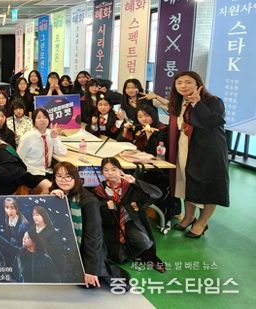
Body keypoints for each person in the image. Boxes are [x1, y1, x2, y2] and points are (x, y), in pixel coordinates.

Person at [167, 71, 229, 238]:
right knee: (188, 183)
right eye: (179, 83)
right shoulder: (180, 102)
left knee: (209, 187)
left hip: (208, 151)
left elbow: (211, 122)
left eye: (188, 82)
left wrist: (197, 103)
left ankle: (201, 223)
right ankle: (188, 217)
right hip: (186, 148)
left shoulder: (213, 101)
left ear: (198, 84)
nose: (183, 86)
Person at [93, 158, 165, 272]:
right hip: (110, 225)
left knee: (144, 242)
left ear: (120, 170)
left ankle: (138, 255)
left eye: (113, 169)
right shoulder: (99, 190)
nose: (110, 173)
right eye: (106, 170)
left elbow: (156, 194)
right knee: (116, 257)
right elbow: (93, 208)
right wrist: (105, 205)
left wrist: (135, 182)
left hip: (129, 221)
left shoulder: (129, 185)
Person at [50, 161, 110, 289]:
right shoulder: (55, 194)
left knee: (87, 285)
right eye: (59, 176)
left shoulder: (89, 201)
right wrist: (51, 200)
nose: (63, 180)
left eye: (68, 176)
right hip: (63, 245)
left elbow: (93, 237)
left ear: (75, 178)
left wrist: (90, 270)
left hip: (84, 248)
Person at [16, 109, 66, 194]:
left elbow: (62, 152)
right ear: (34, 121)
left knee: (65, 183)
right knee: (49, 188)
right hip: (32, 172)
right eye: (39, 118)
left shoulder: (51, 133)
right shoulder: (26, 138)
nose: (42, 120)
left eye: (45, 117)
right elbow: (19, 159)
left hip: (47, 170)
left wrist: (54, 138)